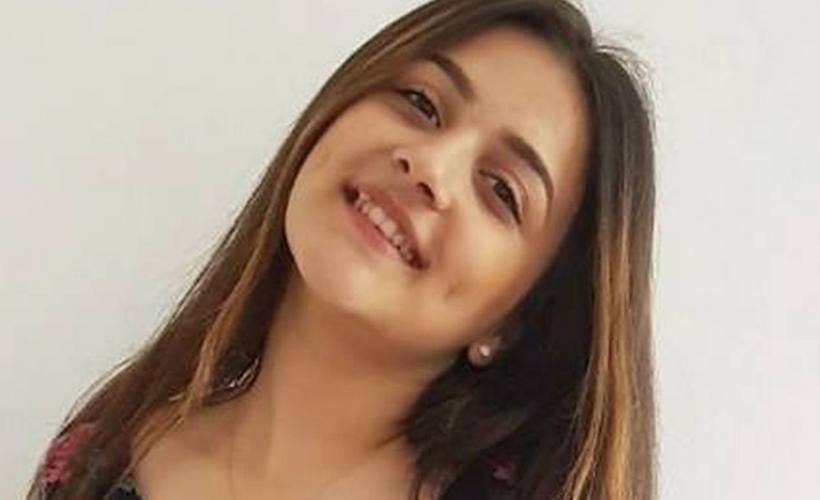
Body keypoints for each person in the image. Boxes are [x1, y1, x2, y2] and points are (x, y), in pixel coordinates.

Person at [27, 0, 657, 499]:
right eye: (421, 103)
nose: (429, 165)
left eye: (500, 190)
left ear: (516, 319)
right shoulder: (95, 465)